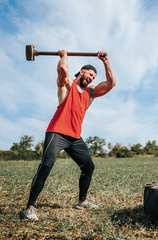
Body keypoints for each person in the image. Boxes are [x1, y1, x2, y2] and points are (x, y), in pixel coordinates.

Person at [22, 50, 116, 220]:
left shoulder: (90, 93)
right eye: (90, 74)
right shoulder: (67, 85)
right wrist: (63, 56)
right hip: (57, 132)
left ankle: (82, 201)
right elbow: (63, 71)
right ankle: (29, 208)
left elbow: (111, 83)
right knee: (46, 166)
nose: (92, 78)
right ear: (81, 71)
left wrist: (106, 61)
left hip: (74, 137)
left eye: (94, 77)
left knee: (88, 167)